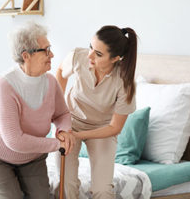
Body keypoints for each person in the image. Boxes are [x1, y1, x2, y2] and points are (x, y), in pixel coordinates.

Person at [0, 22, 75, 199]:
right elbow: (14, 141)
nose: (52, 55)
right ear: (26, 55)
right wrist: (57, 144)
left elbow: (62, 114)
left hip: (31, 157)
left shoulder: (50, 82)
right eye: (46, 50)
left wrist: (64, 131)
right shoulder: (3, 84)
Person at [55, 25, 138, 199]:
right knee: (65, 185)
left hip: (103, 130)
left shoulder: (125, 83)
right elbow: (61, 73)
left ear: (116, 58)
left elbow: (115, 128)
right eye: (91, 47)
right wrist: (59, 111)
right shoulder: (79, 56)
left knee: (102, 190)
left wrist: (78, 136)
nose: (90, 55)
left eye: (98, 54)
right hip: (71, 122)